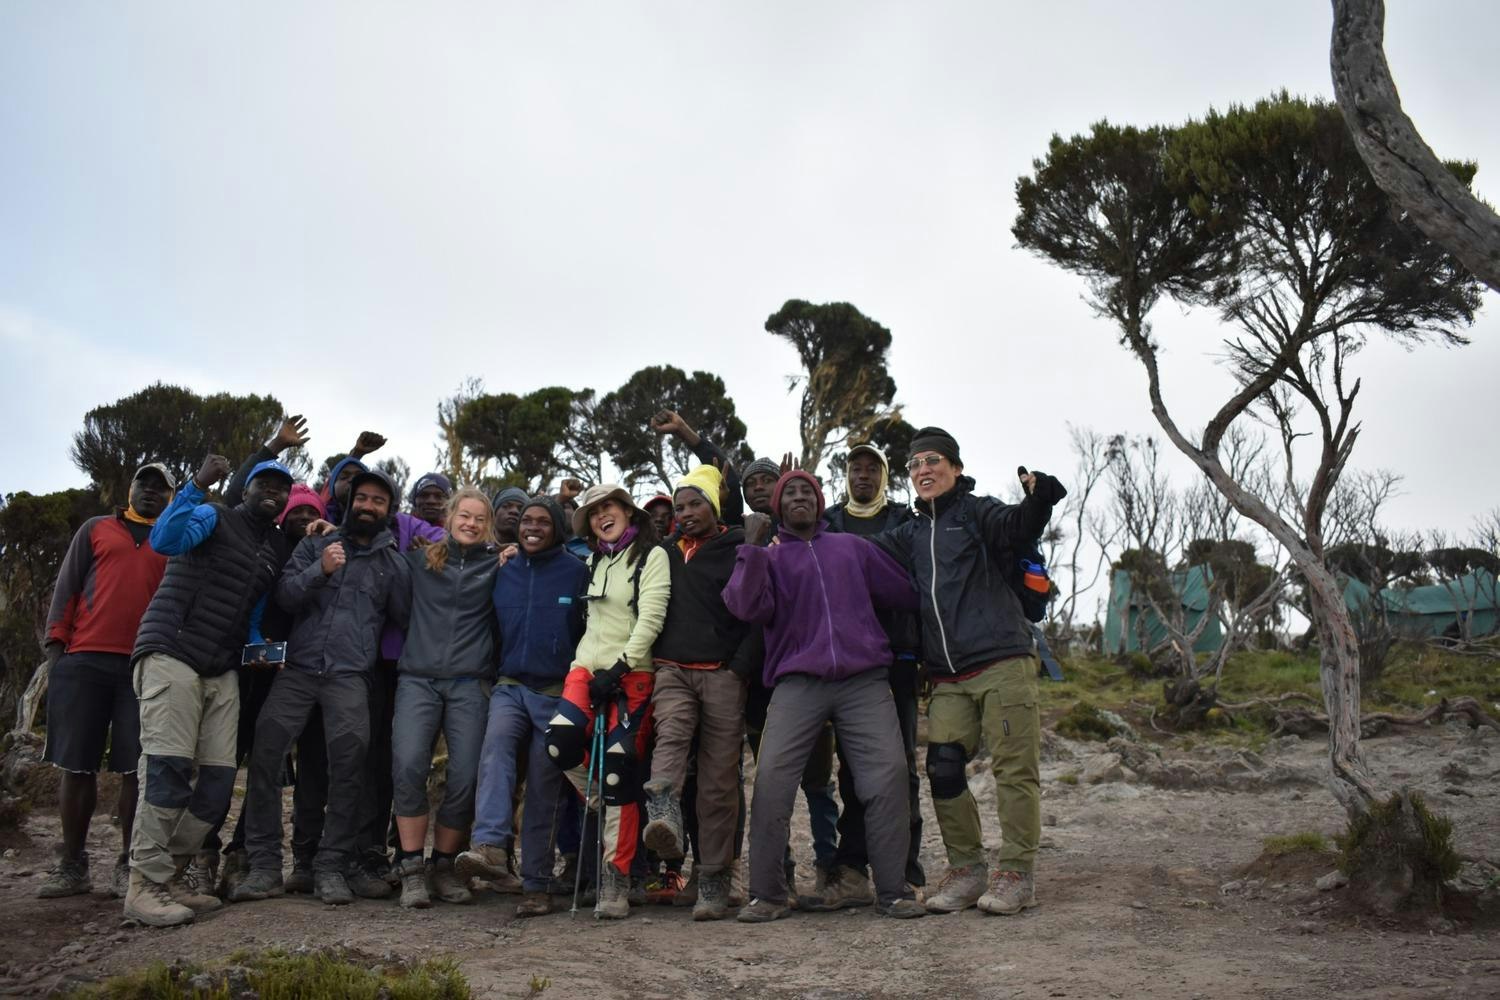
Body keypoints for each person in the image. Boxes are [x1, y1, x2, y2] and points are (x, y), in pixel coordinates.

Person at [870, 427, 1065, 916]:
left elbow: (1018, 526)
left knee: (1014, 770)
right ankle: (967, 868)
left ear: (956, 468)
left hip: (1002, 661)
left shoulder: (978, 512)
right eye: (915, 464)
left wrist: (1040, 499)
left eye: (933, 460)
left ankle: (1017, 874)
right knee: (943, 769)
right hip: (946, 675)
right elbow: (860, 551)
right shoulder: (911, 534)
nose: (923, 470)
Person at [723, 471, 925, 922]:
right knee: (772, 779)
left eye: (807, 492)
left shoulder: (852, 548)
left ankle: (893, 892)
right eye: (789, 493)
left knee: (889, 775)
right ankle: (769, 895)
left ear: (820, 503)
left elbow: (906, 594)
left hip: (864, 681)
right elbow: (743, 606)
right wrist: (751, 548)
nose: (799, 497)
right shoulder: (769, 558)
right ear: (778, 507)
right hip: (798, 683)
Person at [125, 455, 293, 927]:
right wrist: (197, 484)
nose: (273, 492)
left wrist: (261, 649)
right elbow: (165, 540)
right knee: (168, 767)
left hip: (222, 666)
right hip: (172, 651)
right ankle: (143, 884)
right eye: (264, 483)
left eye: (281, 488)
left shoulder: (270, 550)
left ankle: (173, 875)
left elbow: (253, 615)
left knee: (219, 778)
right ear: (246, 488)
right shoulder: (212, 515)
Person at [231, 469, 411, 906]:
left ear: (389, 511)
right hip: (297, 670)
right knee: (266, 758)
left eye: (379, 501)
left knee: (350, 767)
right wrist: (321, 569)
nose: (368, 506)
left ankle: (331, 866)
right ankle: (264, 866)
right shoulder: (315, 545)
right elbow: (285, 596)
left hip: (350, 676)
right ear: (350, 503)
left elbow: (406, 617)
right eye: (362, 498)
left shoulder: (393, 565)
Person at [37, 463, 173, 901]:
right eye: (143, 483)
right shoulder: (95, 529)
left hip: (144, 665)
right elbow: (67, 587)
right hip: (84, 660)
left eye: (161, 487)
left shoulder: (173, 539)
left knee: (137, 768)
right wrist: (56, 650)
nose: (150, 491)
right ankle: (72, 864)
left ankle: (127, 865)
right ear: (129, 488)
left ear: (171, 497)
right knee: (77, 765)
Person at [457, 495, 588, 918]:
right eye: (527, 520)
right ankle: (490, 845)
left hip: (556, 692)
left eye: (542, 521)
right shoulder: (505, 569)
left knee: (545, 790)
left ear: (557, 529)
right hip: (510, 685)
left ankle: (537, 884)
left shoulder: (576, 572)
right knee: (495, 751)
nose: (532, 527)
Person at [807, 443, 925, 909]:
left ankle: (907, 871)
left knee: (900, 767)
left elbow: (918, 583)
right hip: (845, 658)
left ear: (884, 476)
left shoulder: (904, 521)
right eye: (855, 468)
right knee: (852, 768)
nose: (862, 475)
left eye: (872, 468)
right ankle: (853, 870)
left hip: (897, 657)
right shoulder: (828, 522)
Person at [639, 465, 760, 920]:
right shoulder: (666, 552)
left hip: (723, 674)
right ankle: (664, 813)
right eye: (680, 506)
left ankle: (713, 878)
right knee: (670, 735)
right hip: (672, 667)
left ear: (714, 506)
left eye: (695, 504)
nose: (686, 513)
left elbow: (756, 611)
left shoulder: (739, 546)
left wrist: (738, 669)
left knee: (717, 782)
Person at [543, 484, 669, 919]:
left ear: (628, 511)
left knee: (619, 762)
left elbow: (651, 618)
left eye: (608, 507)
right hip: (584, 669)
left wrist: (619, 667)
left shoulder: (652, 556)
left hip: (633, 673)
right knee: (559, 742)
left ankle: (616, 878)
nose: (601, 516)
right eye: (593, 512)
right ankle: (606, 798)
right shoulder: (593, 561)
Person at [211, 481, 331, 899]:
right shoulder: (270, 546)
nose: (304, 517)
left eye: (311, 511)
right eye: (296, 511)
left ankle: (260, 853)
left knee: (296, 768)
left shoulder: (327, 547)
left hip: (303, 670)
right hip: (253, 668)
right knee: (237, 760)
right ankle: (215, 852)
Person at [389, 487, 500, 908]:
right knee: (408, 766)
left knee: (467, 775)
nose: (471, 524)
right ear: (449, 518)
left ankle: (445, 865)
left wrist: (508, 553)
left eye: (479, 518)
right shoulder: (420, 561)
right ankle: (411, 867)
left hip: (470, 683)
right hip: (418, 679)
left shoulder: (497, 565)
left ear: (488, 526)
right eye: (464, 515)